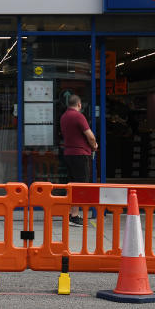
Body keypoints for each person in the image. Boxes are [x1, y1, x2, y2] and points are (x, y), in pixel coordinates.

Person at [60, 94, 98, 226]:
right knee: (80, 185)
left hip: (69, 153)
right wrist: (94, 146)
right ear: (79, 104)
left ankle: (70, 213)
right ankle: (74, 216)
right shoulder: (78, 116)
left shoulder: (64, 117)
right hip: (80, 154)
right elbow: (90, 136)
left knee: (71, 184)